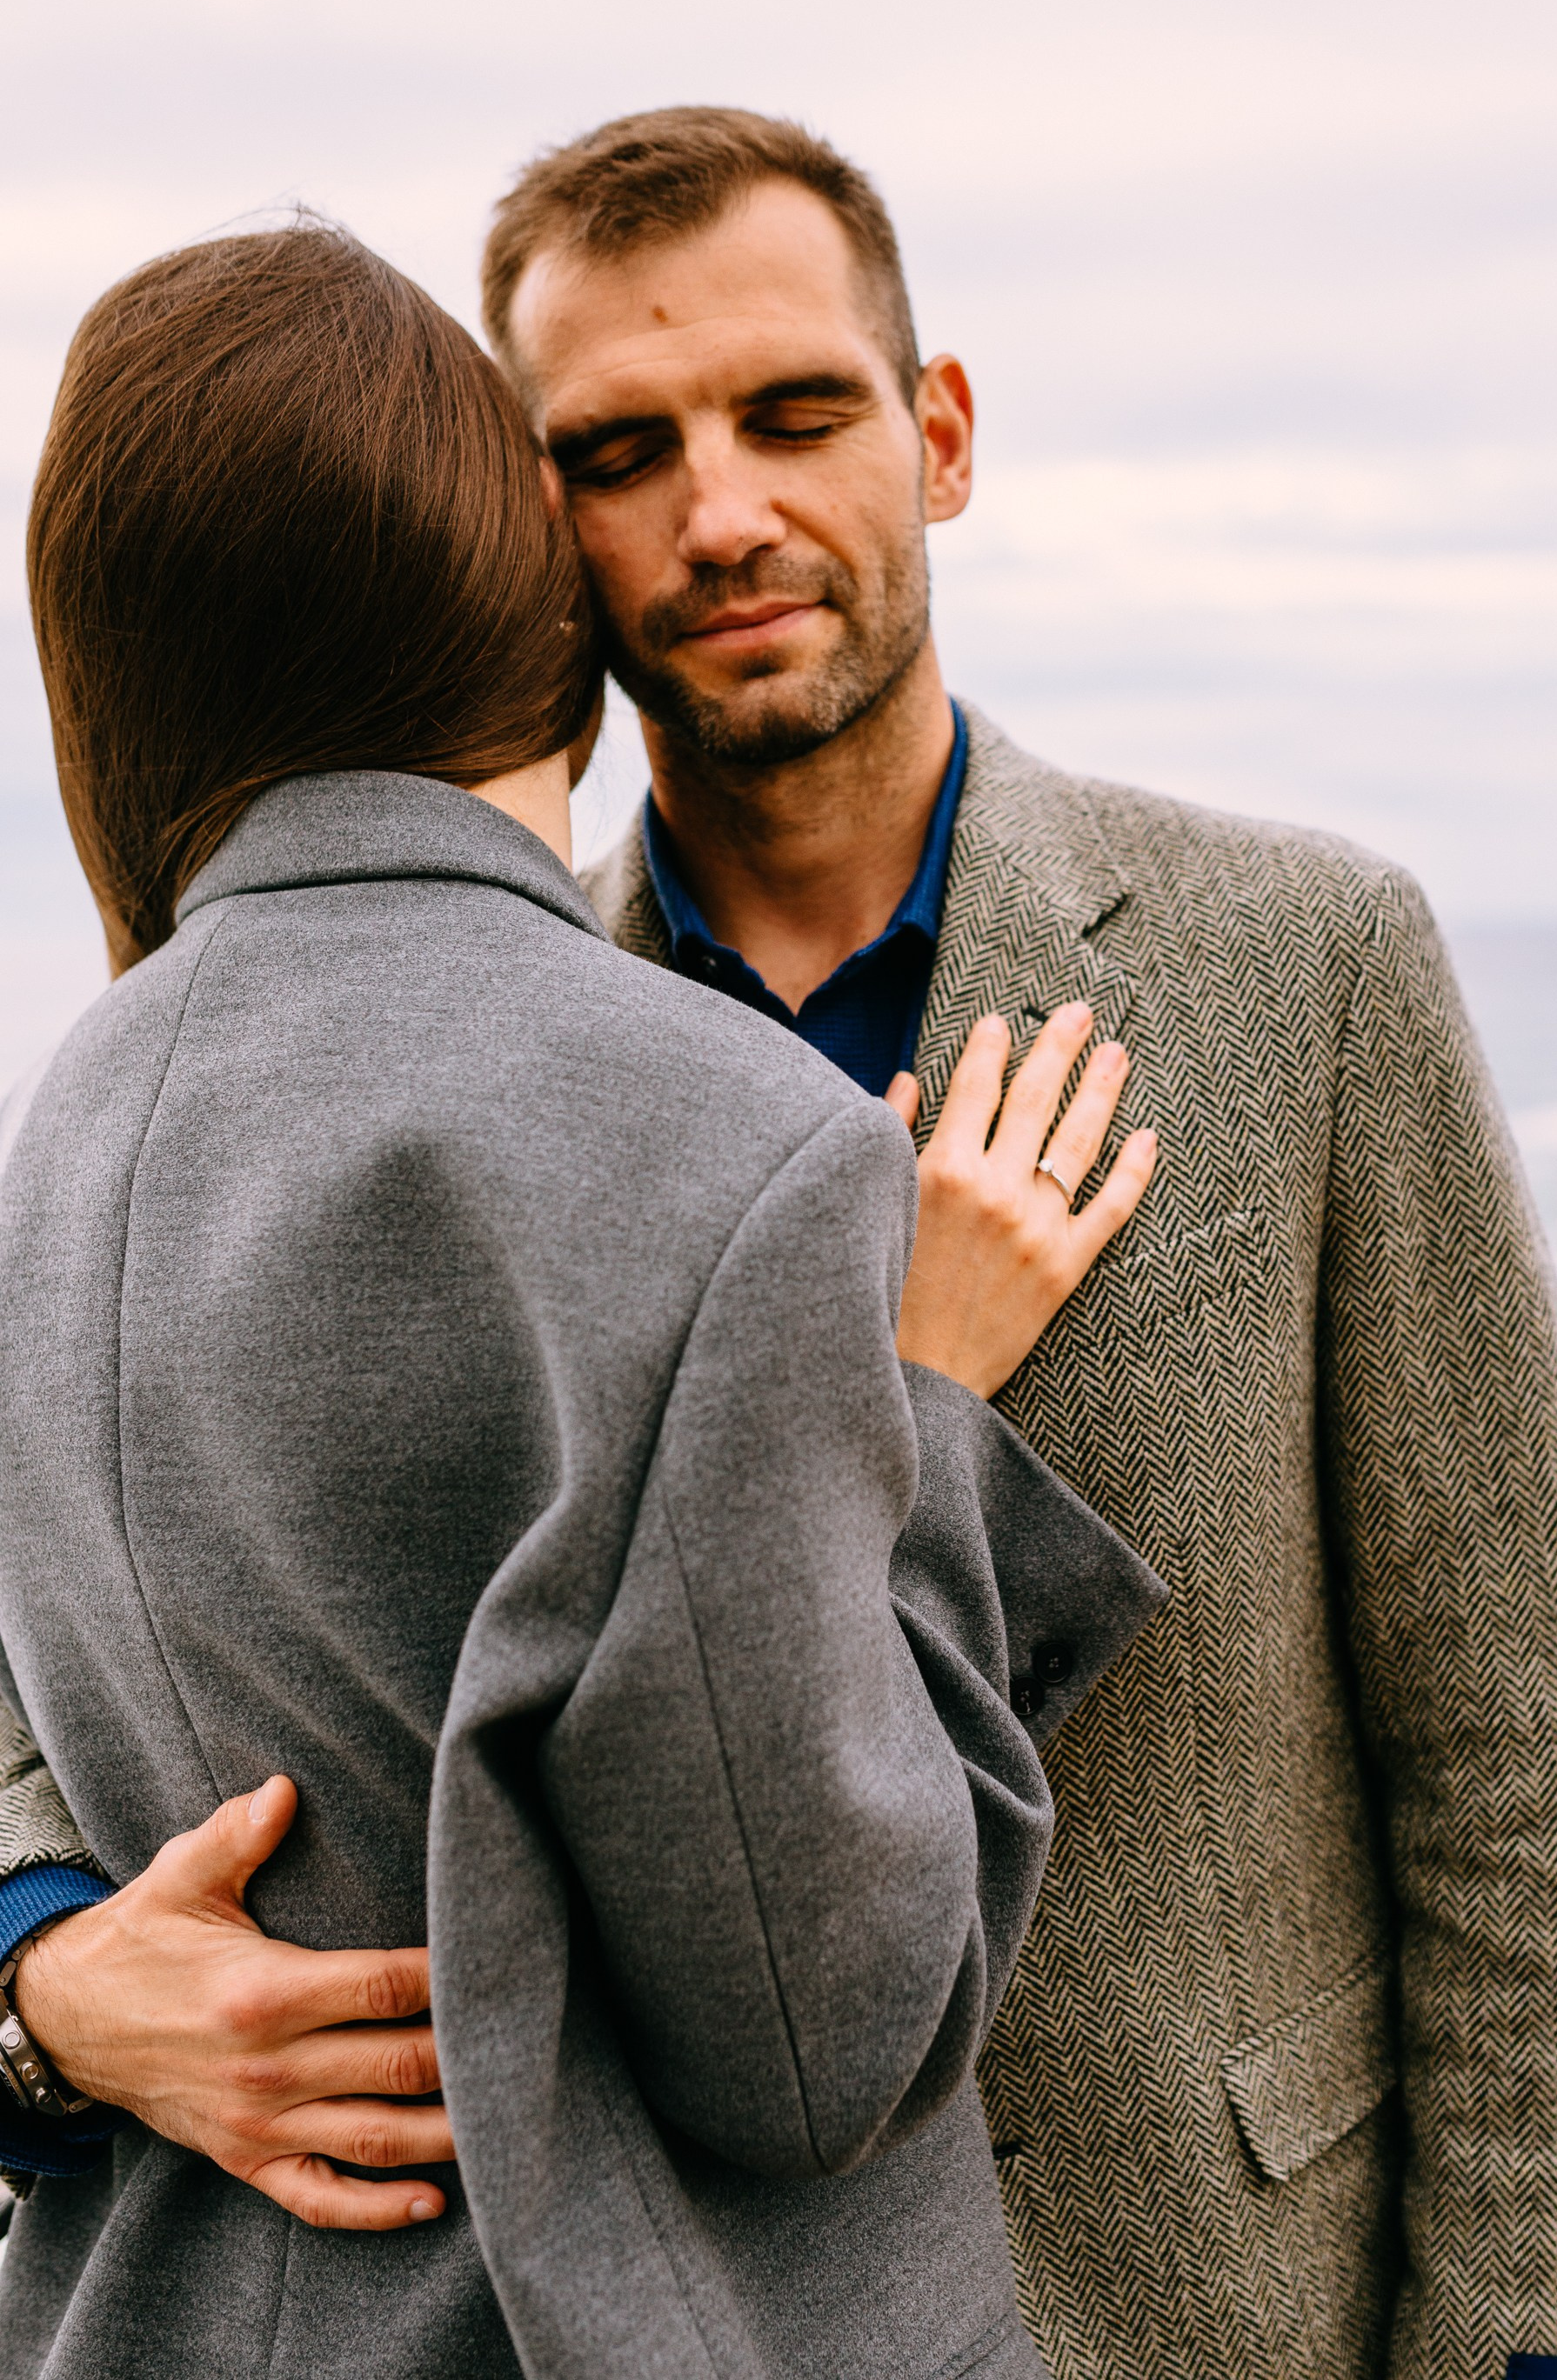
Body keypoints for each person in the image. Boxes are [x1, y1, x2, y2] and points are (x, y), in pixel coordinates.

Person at [3, 109, 1557, 2377]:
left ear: (938, 433)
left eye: (794, 414)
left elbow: (1520, 1754)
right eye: (618, 451)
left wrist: (1536, 2358)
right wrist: (44, 1977)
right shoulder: (467, 1070)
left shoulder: (1310, 962)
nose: (724, 513)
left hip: (1232, 2312)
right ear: (527, 535)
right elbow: (100, 1647)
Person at [0, 220, 1165, 2380]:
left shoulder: (61, 1136)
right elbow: (820, 2053)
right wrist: (910, 1409)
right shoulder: (724, 1139)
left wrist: (37, 1981)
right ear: (534, 605)